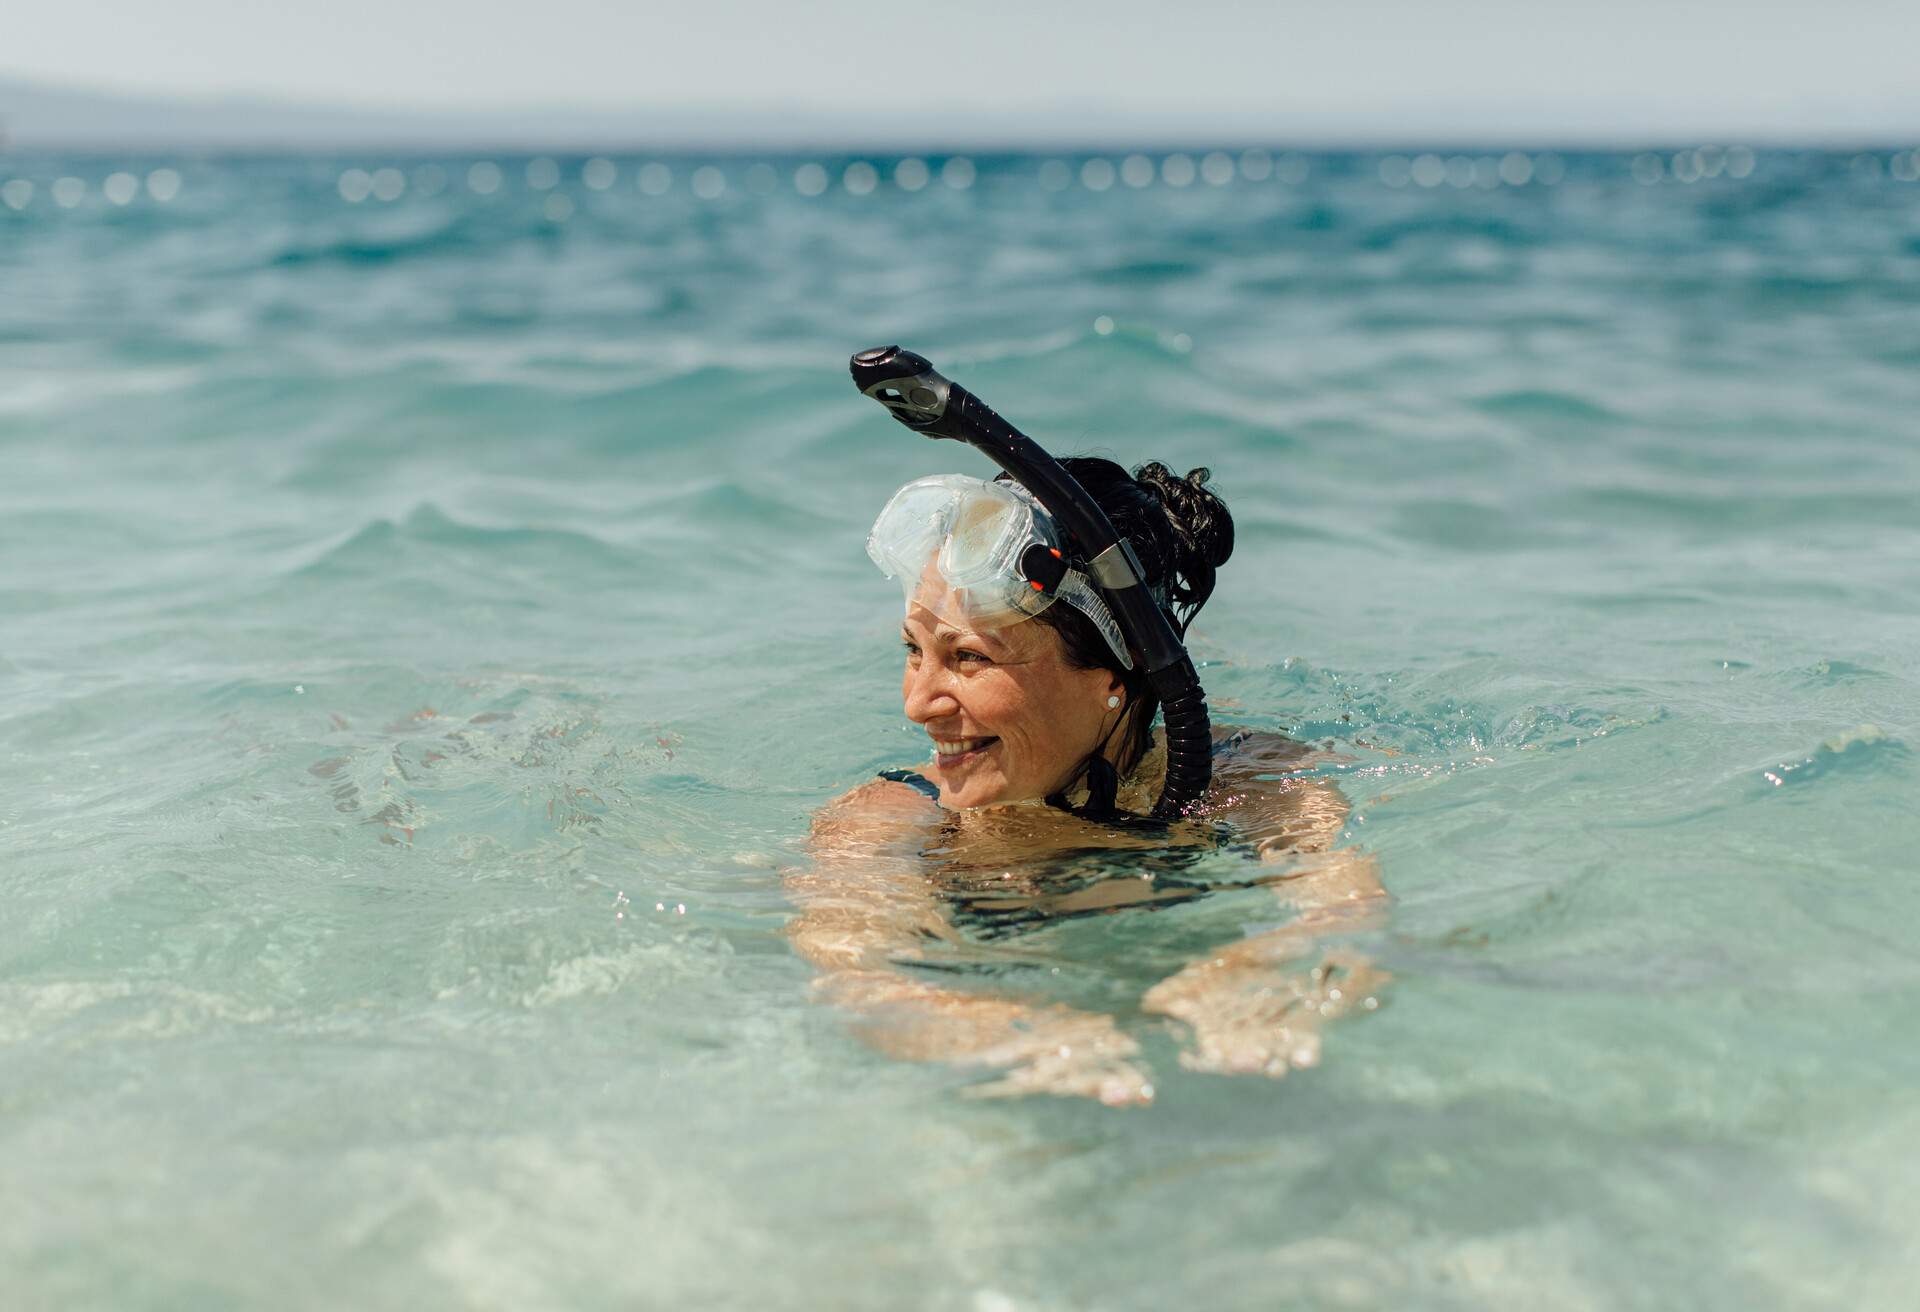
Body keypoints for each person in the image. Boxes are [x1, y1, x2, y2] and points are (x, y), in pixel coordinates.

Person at [786, 457, 1387, 1106]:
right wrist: (1016, 1033)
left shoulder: (1252, 780)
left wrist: (1252, 969)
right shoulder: (894, 817)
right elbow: (854, 975)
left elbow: (1350, 915)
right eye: (914, 650)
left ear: (1112, 676)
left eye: (967, 657)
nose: (917, 702)